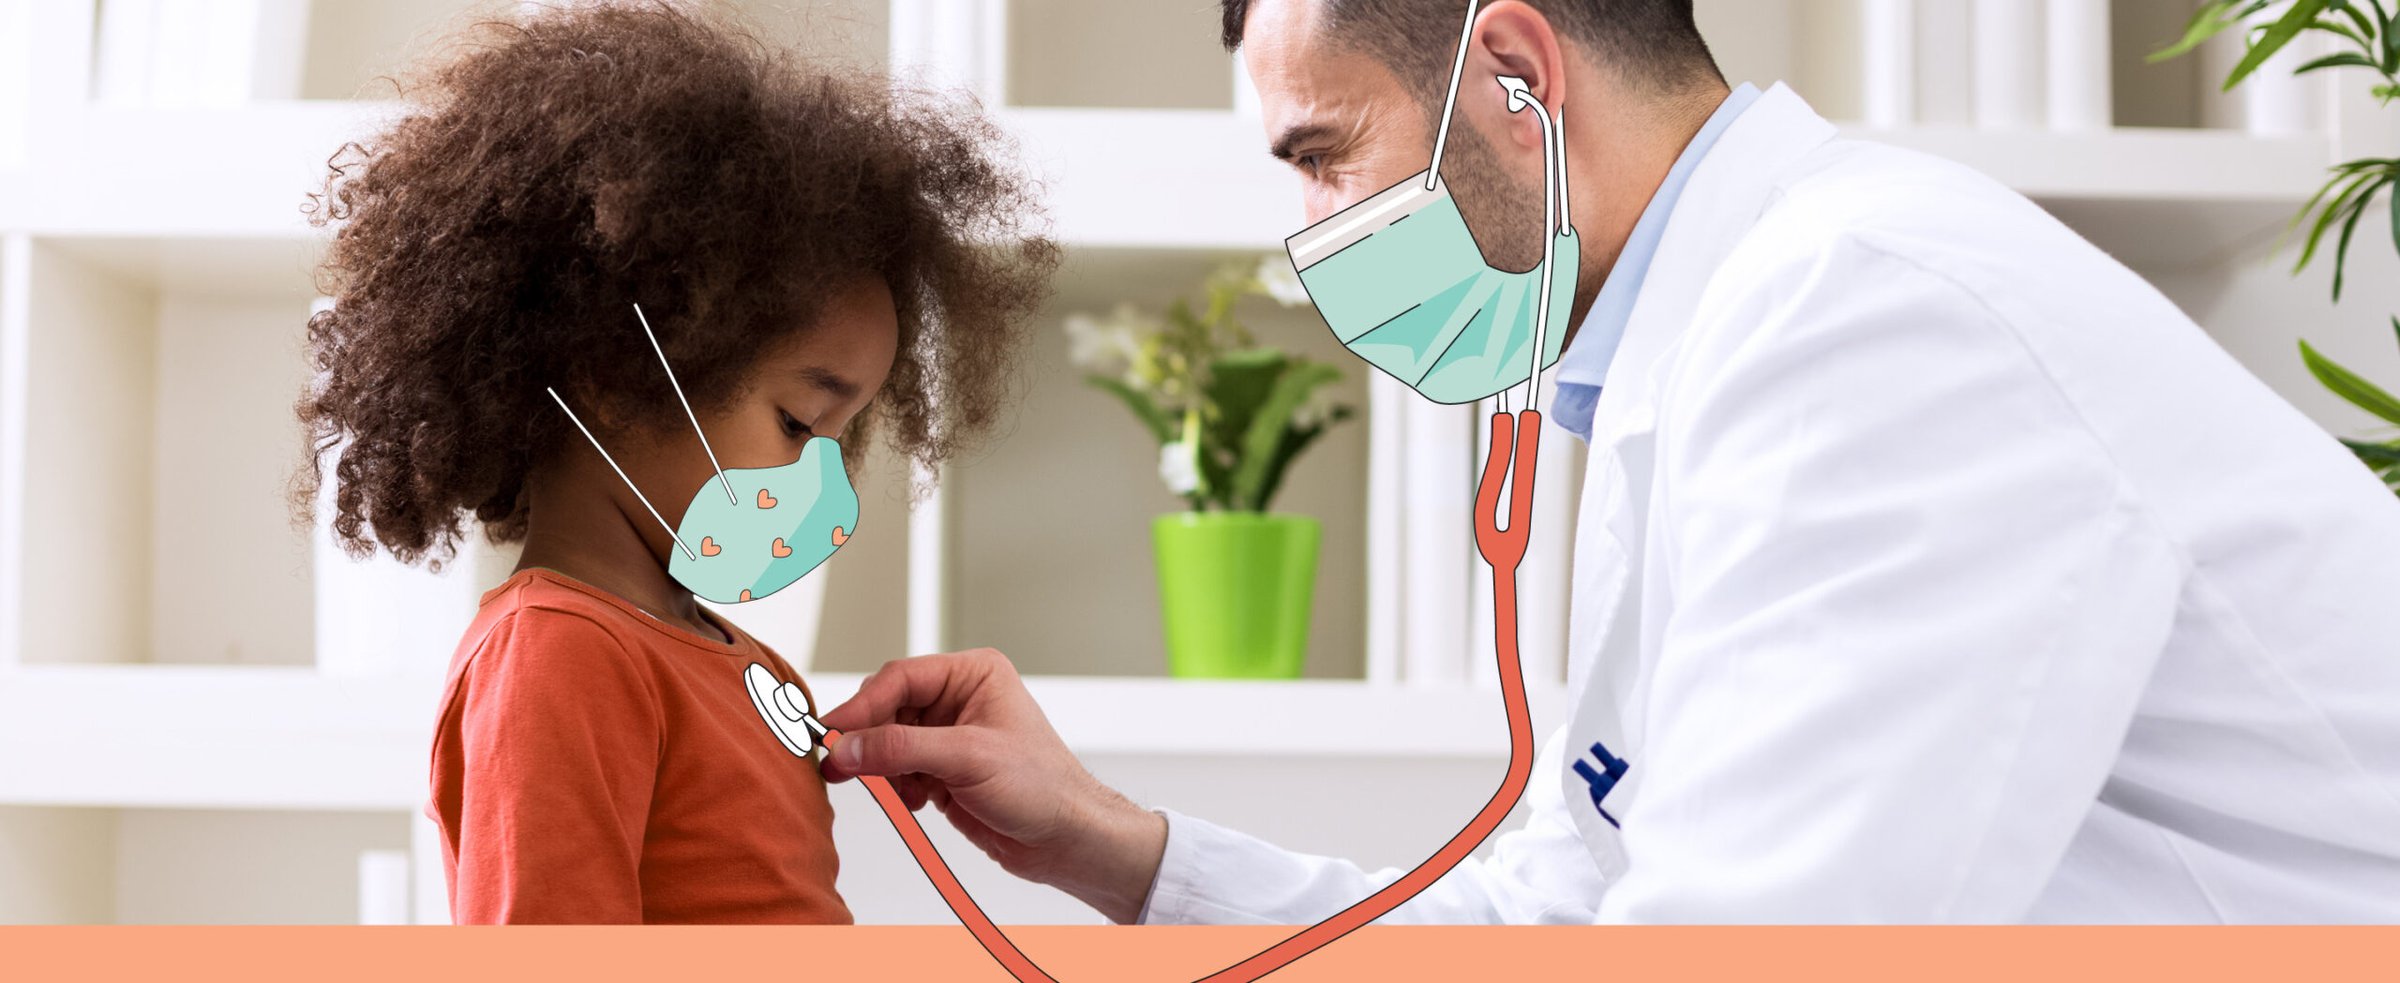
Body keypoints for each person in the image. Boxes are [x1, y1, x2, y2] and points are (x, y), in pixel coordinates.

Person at [819, 0, 2400, 923]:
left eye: (1324, 154)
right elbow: (1556, 908)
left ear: (1517, 74)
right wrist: (1125, 849)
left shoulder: (1866, 316)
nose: (1311, 240)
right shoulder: (1697, 342)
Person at [296, 3, 1055, 923]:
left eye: (842, 439)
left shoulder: (740, 657)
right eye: (799, 422)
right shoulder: (560, 656)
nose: (826, 489)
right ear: (617, 372)